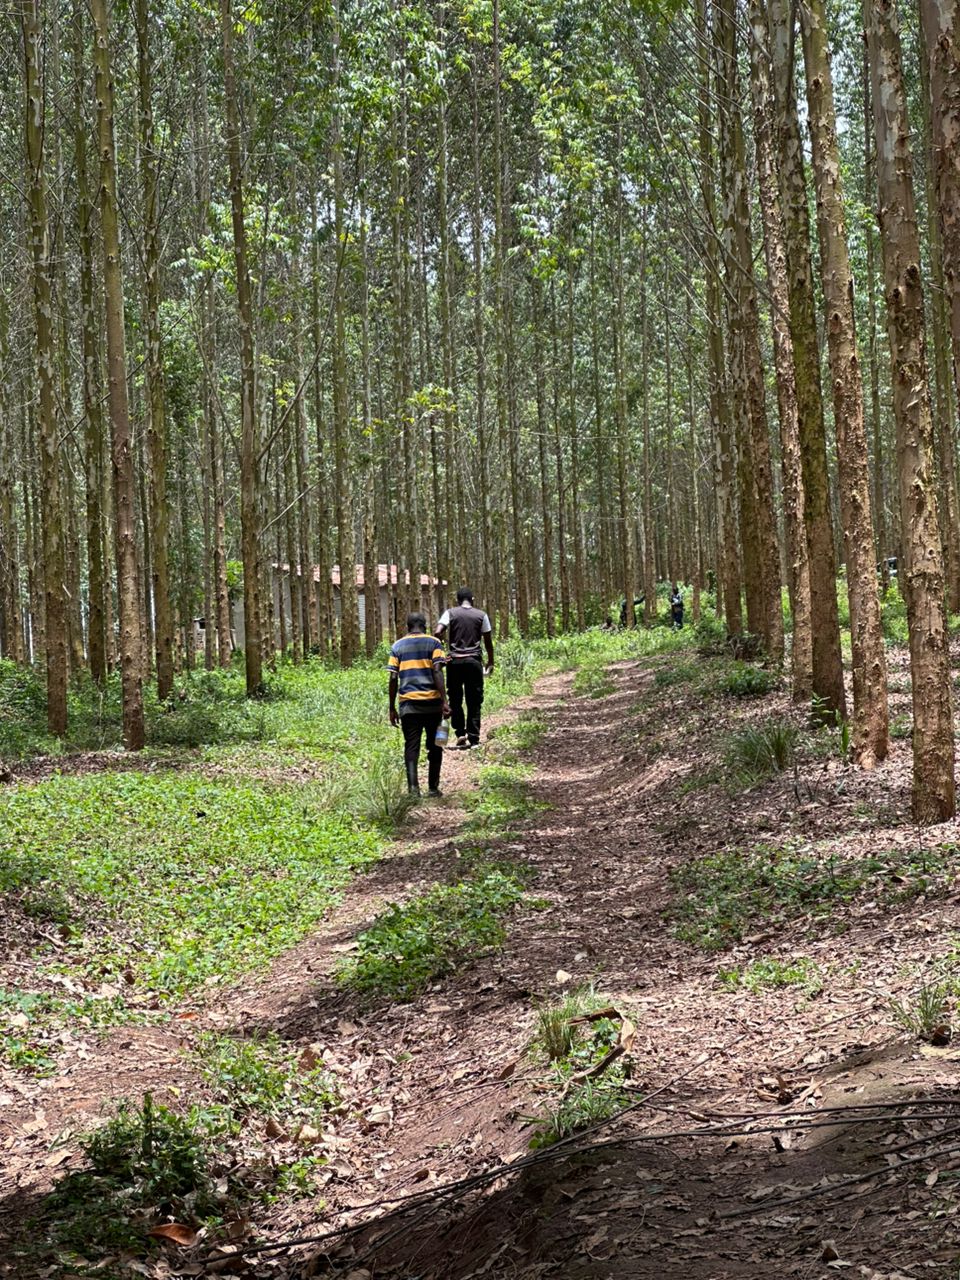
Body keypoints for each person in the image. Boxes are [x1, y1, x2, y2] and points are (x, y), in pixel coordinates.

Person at [387, 612, 450, 798]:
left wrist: (391, 707)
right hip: (433, 705)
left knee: (411, 746)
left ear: (407, 626)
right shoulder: (434, 643)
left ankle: (413, 790)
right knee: (436, 744)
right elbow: (437, 671)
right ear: (425, 625)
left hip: (408, 706)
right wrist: (444, 701)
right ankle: (433, 788)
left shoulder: (397, 646)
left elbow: (392, 677)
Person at [435, 587, 494, 750]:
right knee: (474, 700)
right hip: (474, 662)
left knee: (455, 698)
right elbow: (487, 641)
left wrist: (442, 651)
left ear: (458, 600)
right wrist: (490, 661)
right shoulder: (481, 615)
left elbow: (437, 631)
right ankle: (474, 738)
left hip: (454, 662)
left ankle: (460, 733)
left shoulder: (450, 613)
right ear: (472, 600)